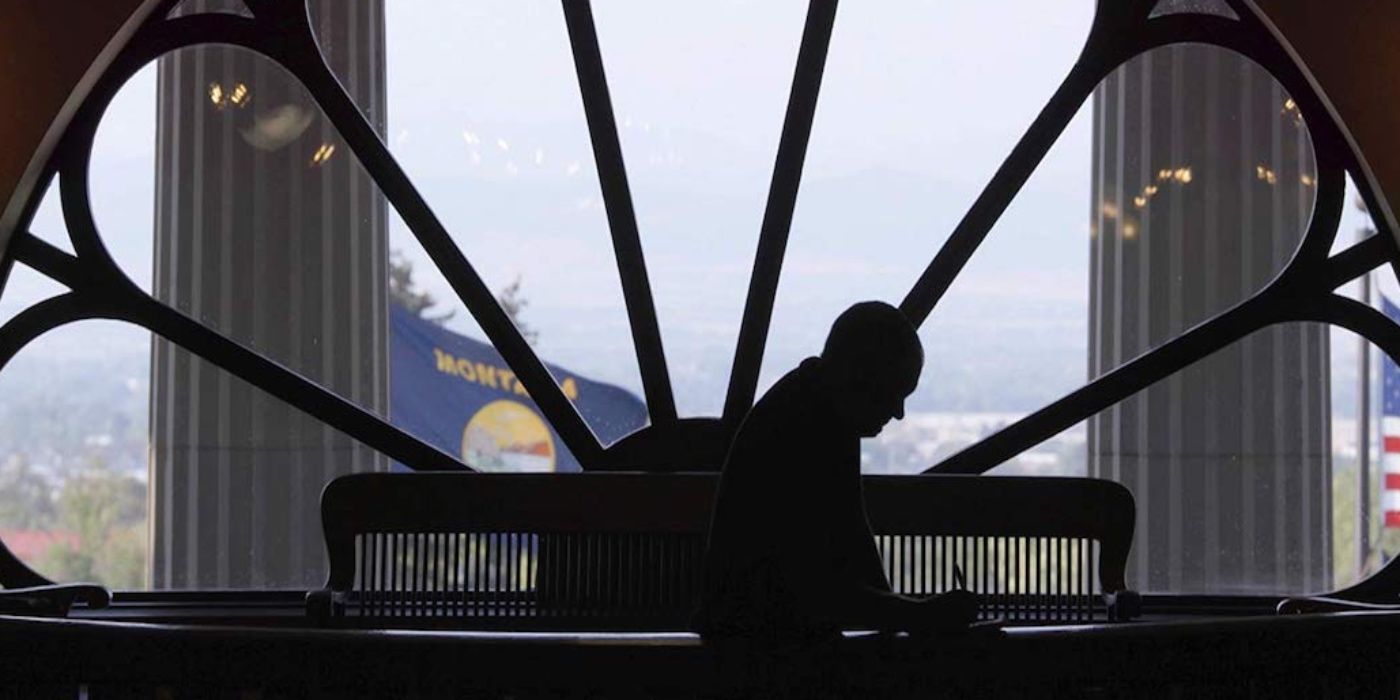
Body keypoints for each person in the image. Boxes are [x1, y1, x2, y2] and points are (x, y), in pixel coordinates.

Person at [696, 301, 977, 640]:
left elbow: (829, 563)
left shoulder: (812, 408)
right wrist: (914, 615)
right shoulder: (813, 425)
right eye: (894, 391)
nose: (899, 412)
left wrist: (907, 616)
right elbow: (818, 586)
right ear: (863, 377)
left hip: (747, 640)